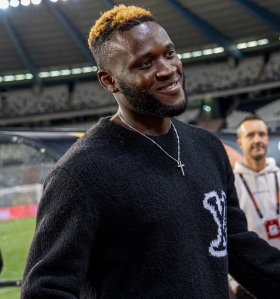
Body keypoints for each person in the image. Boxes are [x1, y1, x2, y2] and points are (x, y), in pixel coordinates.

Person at [21, 5, 280, 299]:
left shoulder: (208, 147)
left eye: (169, 53)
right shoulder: (80, 173)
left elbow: (235, 244)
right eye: (145, 63)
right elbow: (44, 289)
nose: (168, 70)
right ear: (109, 81)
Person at [229, 115, 280, 298]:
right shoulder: (231, 184)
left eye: (261, 134)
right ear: (240, 142)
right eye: (250, 135)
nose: (257, 140)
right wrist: (234, 284)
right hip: (251, 277)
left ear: (267, 138)